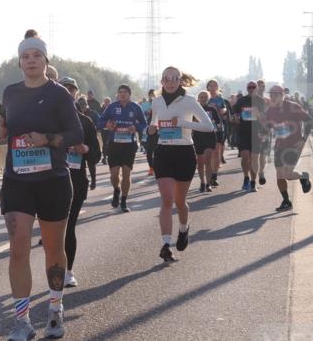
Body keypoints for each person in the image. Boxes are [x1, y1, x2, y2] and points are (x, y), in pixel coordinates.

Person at [0, 31, 82, 341]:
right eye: (25, 56)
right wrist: (1, 129)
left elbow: (75, 133)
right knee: (18, 249)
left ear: (46, 60)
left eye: (36, 56)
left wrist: (47, 139)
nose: (31, 61)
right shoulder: (10, 92)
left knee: (53, 249)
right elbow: (6, 125)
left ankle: (55, 309)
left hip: (53, 180)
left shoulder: (58, 94)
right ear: (19, 62)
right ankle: (22, 321)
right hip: (17, 180)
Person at [148, 68, 214, 262]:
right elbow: (154, 123)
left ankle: (184, 229)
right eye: (166, 79)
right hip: (163, 153)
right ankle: (166, 245)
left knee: (179, 201)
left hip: (184, 153)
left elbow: (208, 126)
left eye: (174, 79)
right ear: (162, 81)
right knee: (167, 200)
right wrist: (151, 128)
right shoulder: (156, 101)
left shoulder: (189, 101)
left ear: (180, 81)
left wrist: (184, 123)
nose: (170, 82)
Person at [60, 78, 100, 287]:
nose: (68, 93)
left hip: (76, 180)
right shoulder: (47, 119)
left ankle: (68, 271)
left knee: (69, 226)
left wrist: (85, 149)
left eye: (72, 90)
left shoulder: (85, 122)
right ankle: (54, 268)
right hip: (49, 180)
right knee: (52, 232)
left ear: (76, 94)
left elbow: (96, 155)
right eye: (63, 89)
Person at [97, 84, 147, 212]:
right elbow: (100, 122)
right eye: (120, 92)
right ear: (117, 94)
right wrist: (107, 124)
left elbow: (144, 123)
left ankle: (124, 201)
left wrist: (135, 128)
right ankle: (116, 189)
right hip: (114, 144)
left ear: (129, 94)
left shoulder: (136, 107)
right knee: (114, 175)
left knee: (126, 173)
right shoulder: (112, 107)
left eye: (125, 92)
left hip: (129, 145)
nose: (122, 94)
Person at [264, 84, 312, 211]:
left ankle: (303, 176)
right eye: (271, 95)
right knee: (280, 175)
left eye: (275, 95)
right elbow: (268, 126)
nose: (272, 97)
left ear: (282, 95)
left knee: (288, 174)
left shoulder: (293, 107)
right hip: (279, 145)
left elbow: (309, 120)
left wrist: (303, 139)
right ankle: (286, 201)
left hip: (294, 144)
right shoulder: (270, 110)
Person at [233, 81, 268, 191]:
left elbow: (265, 118)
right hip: (243, 132)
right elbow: (235, 113)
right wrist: (236, 118)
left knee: (254, 159)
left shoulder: (261, 101)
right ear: (247, 89)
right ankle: (246, 177)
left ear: (257, 88)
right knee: (245, 157)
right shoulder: (241, 100)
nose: (251, 89)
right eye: (249, 87)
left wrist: (259, 115)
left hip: (256, 133)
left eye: (253, 87)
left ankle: (253, 182)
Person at [194, 91, 223, 193]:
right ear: (198, 98)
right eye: (201, 97)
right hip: (198, 137)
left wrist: (219, 135)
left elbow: (218, 123)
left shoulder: (212, 109)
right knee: (200, 163)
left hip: (210, 137)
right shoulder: (194, 110)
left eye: (205, 97)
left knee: (208, 160)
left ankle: (208, 184)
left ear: (208, 98)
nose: (203, 98)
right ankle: (202, 183)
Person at [205, 79, 232, 171]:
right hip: (207, 126)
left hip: (219, 126)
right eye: (211, 85)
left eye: (215, 85)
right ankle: (210, 166)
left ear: (217, 87)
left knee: (216, 149)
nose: (213, 87)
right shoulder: (205, 97)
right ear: (208, 87)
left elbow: (224, 109)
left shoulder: (220, 99)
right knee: (210, 150)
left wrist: (223, 111)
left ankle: (214, 170)